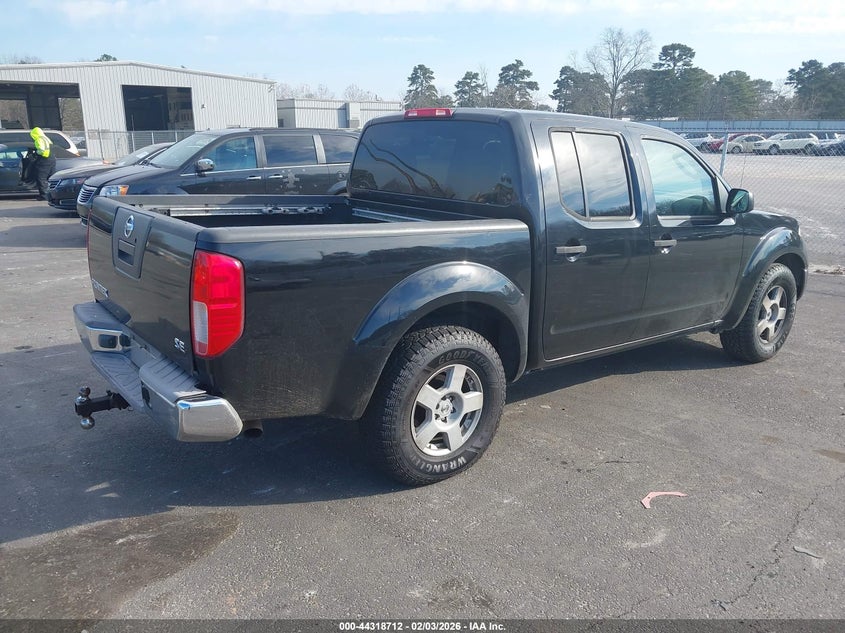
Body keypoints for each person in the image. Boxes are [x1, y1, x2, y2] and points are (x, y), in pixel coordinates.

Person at [29, 127, 56, 200]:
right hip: (52, 159)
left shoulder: (39, 139)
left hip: (44, 159)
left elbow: (41, 150)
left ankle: (43, 196)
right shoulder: (46, 138)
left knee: (41, 178)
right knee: (51, 177)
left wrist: (36, 152)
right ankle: (53, 194)